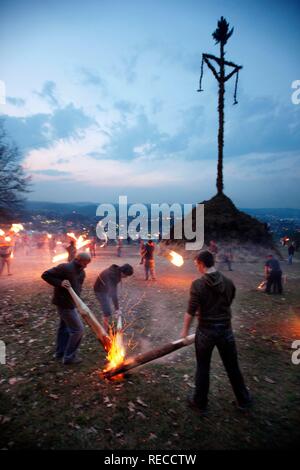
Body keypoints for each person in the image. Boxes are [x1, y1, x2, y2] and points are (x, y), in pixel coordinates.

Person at [180, 250, 251, 414]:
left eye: (197, 264)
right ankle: (244, 400)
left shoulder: (198, 284)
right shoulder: (228, 282)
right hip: (226, 330)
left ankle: (200, 403)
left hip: (206, 332)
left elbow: (190, 311)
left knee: (203, 367)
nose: (197, 267)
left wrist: (184, 333)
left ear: (202, 264)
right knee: (232, 366)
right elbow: (228, 301)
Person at [41, 252, 91, 364]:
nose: (86, 266)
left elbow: (78, 288)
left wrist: (78, 303)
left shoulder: (82, 272)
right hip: (63, 303)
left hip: (72, 304)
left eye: (87, 263)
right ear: (77, 259)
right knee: (78, 330)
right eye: (84, 263)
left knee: (64, 329)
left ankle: (60, 352)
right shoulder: (65, 267)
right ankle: (69, 357)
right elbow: (45, 275)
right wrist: (60, 282)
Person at [94, 264, 134, 331]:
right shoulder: (112, 275)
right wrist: (117, 309)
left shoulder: (116, 272)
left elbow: (113, 290)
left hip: (105, 289)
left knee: (108, 306)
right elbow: (113, 293)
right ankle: (104, 331)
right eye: (126, 275)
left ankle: (106, 325)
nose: (126, 277)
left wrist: (116, 308)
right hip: (100, 290)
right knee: (107, 311)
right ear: (122, 272)